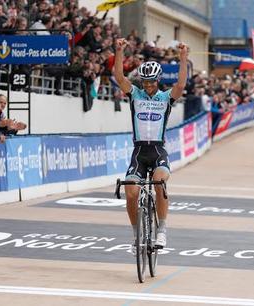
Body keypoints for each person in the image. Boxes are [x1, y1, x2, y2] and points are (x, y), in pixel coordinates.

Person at [114, 38, 188, 252]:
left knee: (158, 183)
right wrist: (119, 51)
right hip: (139, 152)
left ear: (157, 80)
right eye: (145, 82)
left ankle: (162, 230)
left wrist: (183, 58)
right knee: (130, 191)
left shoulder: (165, 98)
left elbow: (181, 85)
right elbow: (119, 77)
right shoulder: (135, 95)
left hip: (158, 151)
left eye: (151, 82)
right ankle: (137, 234)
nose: (147, 86)